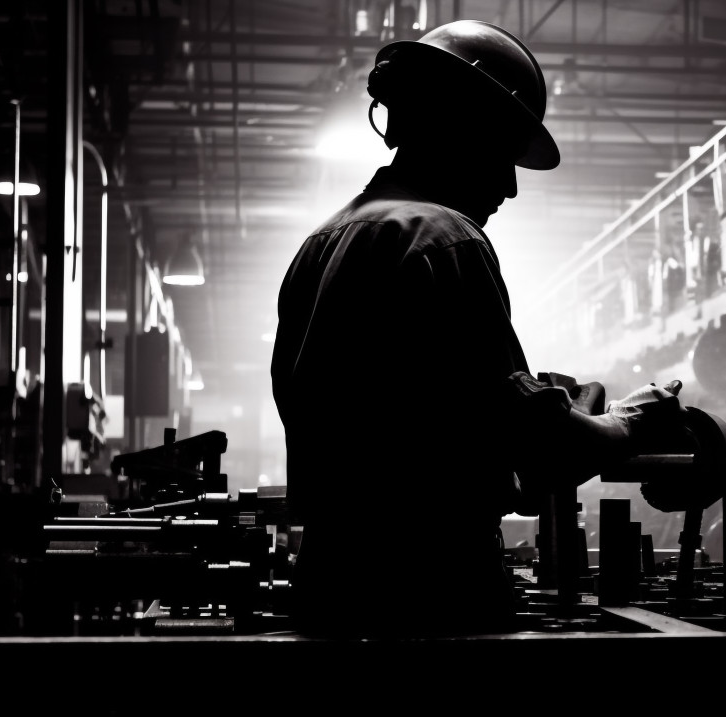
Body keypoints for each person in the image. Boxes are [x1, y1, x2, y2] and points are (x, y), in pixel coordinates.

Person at [270, 20, 687, 638]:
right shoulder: (445, 239)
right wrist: (629, 422)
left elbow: (422, 415)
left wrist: (551, 409)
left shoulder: (322, 244)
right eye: (503, 154)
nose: (511, 187)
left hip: (330, 591)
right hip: (434, 601)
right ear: (460, 130)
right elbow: (541, 453)